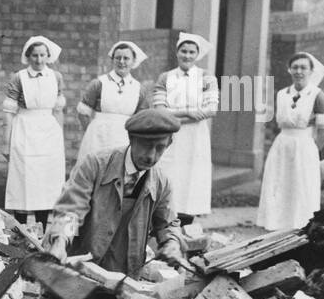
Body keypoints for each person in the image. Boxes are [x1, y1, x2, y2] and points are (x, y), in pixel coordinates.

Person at [43, 108, 186, 278]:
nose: (151, 156)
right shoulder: (95, 165)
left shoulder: (162, 183)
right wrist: (60, 241)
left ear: (168, 144)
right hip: (79, 269)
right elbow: (72, 211)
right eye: (146, 147)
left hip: (124, 276)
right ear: (132, 139)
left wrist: (172, 243)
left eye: (160, 148)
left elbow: (167, 224)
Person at [256, 52, 324, 231]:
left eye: (303, 68)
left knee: (301, 185)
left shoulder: (318, 96)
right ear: (289, 69)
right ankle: (276, 224)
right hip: (282, 144)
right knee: (279, 182)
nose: (299, 71)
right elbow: (280, 123)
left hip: (305, 144)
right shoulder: (282, 94)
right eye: (295, 67)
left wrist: (312, 151)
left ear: (311, 71)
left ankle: (301, 226)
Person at [150, 32, 219, 224]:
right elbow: (160, 110)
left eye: (191, 52)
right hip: (170, 134)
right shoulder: (166, 77)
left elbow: (211, 108)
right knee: (169, 173)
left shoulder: (206, 77)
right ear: (177, 52)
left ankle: (188, 221)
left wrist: (178, 115)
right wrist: (188, 112)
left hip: (196, 135)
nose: (187, 56)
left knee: (193, 175)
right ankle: (163, 220)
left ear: (197, 55)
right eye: (183, 51)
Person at [3, 36, 66, 227]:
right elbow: (8, 113)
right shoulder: (19, 77)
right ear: (28, 57)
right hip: (25, 130)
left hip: (49, 132)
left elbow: (58, 111)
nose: (39, 60)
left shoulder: (55, 77)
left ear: (48, 56)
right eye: (35, 55)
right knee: (23, 180)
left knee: (47, 183)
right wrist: (5, 143)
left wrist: (60, 139)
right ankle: (20, 230)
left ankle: (43, 229)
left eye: (42, 55)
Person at [77, 41, 152, 160]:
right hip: (98, 137)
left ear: (133, 61)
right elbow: (83, 113)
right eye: (118, 58)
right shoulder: (98, 83)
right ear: (112, 60)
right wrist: (92, 131)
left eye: (126, 58)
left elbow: (141, 119)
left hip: (125, 136)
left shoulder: (139, 89)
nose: (121, 62)